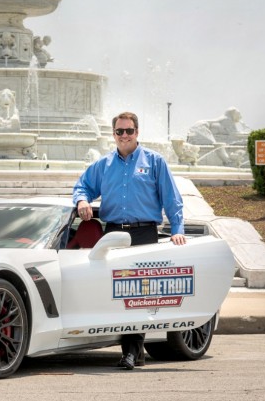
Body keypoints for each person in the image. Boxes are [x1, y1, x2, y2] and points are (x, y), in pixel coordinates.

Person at [72, 111, 187, 370]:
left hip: (144, 233)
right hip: (112, 234)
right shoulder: (103, 165)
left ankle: (131, 353)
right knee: (118, 293)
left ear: (137, 133)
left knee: (137, 293)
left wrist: (177, 229)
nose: (124, 136)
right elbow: (82, 186)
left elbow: (172, 199)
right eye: (119, 131)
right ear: (113, 134)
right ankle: (135, 351)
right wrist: (82, 200)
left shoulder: (155, 162)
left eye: (129, 131)